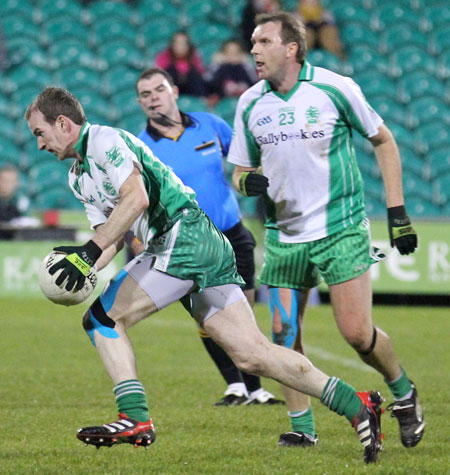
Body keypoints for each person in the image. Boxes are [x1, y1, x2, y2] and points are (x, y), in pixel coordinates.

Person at [26, 86, 384, 464]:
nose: (39, 144)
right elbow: (113, 237)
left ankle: (135, 417)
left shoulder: (103, 140)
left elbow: (137, 199)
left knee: (101, 320)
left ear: (63, 122)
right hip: (198, 244)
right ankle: (357, 404)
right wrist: (84, 267)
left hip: (184, 236)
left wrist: (88, 251)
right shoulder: (79, 176)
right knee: (253, 356)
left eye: (40, 133)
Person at [228, 11, 424, 450]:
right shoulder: (250, 103)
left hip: (340, 228)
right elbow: (238, 171)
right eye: (253, 42)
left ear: (291, 48)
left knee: (356, 334)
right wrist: (246, 182)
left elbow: (384, 140)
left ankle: (403, 392)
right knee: (282, 335)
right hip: (283, 235)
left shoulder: (335, 87)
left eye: (263, 42)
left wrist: (397, 212)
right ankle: (303, 428)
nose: (254, 49)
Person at [135, 67, 283, 406]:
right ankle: (235, 386)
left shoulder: (211, 124)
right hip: (190, 245)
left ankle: (256, 388)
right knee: (208, 318)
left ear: (173, 90)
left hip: (232, 233)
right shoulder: (140, 147)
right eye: (145, 94)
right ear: (141, 103)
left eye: (158, 89)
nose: (153, 98)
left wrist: (255, 178)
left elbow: (246, 163)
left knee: (243, 311)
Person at [155, 31, 208, 97]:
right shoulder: (163, 57)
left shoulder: (194, 58)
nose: (180, 46)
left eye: (183, 43)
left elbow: (200, 79)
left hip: (192, 93)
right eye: (177, 43)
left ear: (188, 46)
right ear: (172, 45)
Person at [207, 39, 258, 106]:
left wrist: (247, 64)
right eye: (228, 53)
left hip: (245, 99)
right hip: (222, 101)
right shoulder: (220, 67)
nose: (232, 56)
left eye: (235, 53)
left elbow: (255, 81)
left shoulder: (244, 67)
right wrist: (215, 64)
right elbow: (208, 81)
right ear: (222, 54)